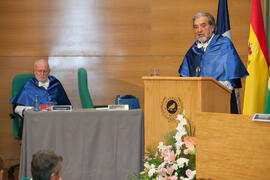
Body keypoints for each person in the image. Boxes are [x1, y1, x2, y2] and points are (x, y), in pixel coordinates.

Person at [178, 12, 249, 114]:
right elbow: (184, 79)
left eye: (203, 25)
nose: (199, 30)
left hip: (222, 101)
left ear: (212, 27)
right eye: (196, 27)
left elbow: (232, 76)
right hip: (198, 102)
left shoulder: (224, 44)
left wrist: (214, 91)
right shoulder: (193, 50)